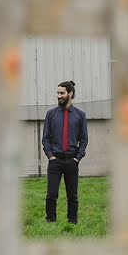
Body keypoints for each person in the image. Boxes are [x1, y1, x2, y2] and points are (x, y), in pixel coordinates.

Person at [41, 80, 88, 225]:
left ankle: (72, 222)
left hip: (72, 161)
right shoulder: (51, 114)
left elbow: (84, 140)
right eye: (58, 93)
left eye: (62, 93)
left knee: (72, 196)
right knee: (51, 195)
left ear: (70, 94)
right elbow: (45, 139)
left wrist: (77, 158)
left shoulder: (80, 115)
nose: (59, 96)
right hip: (55, 161)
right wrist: (51, 156)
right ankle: (50, 222)